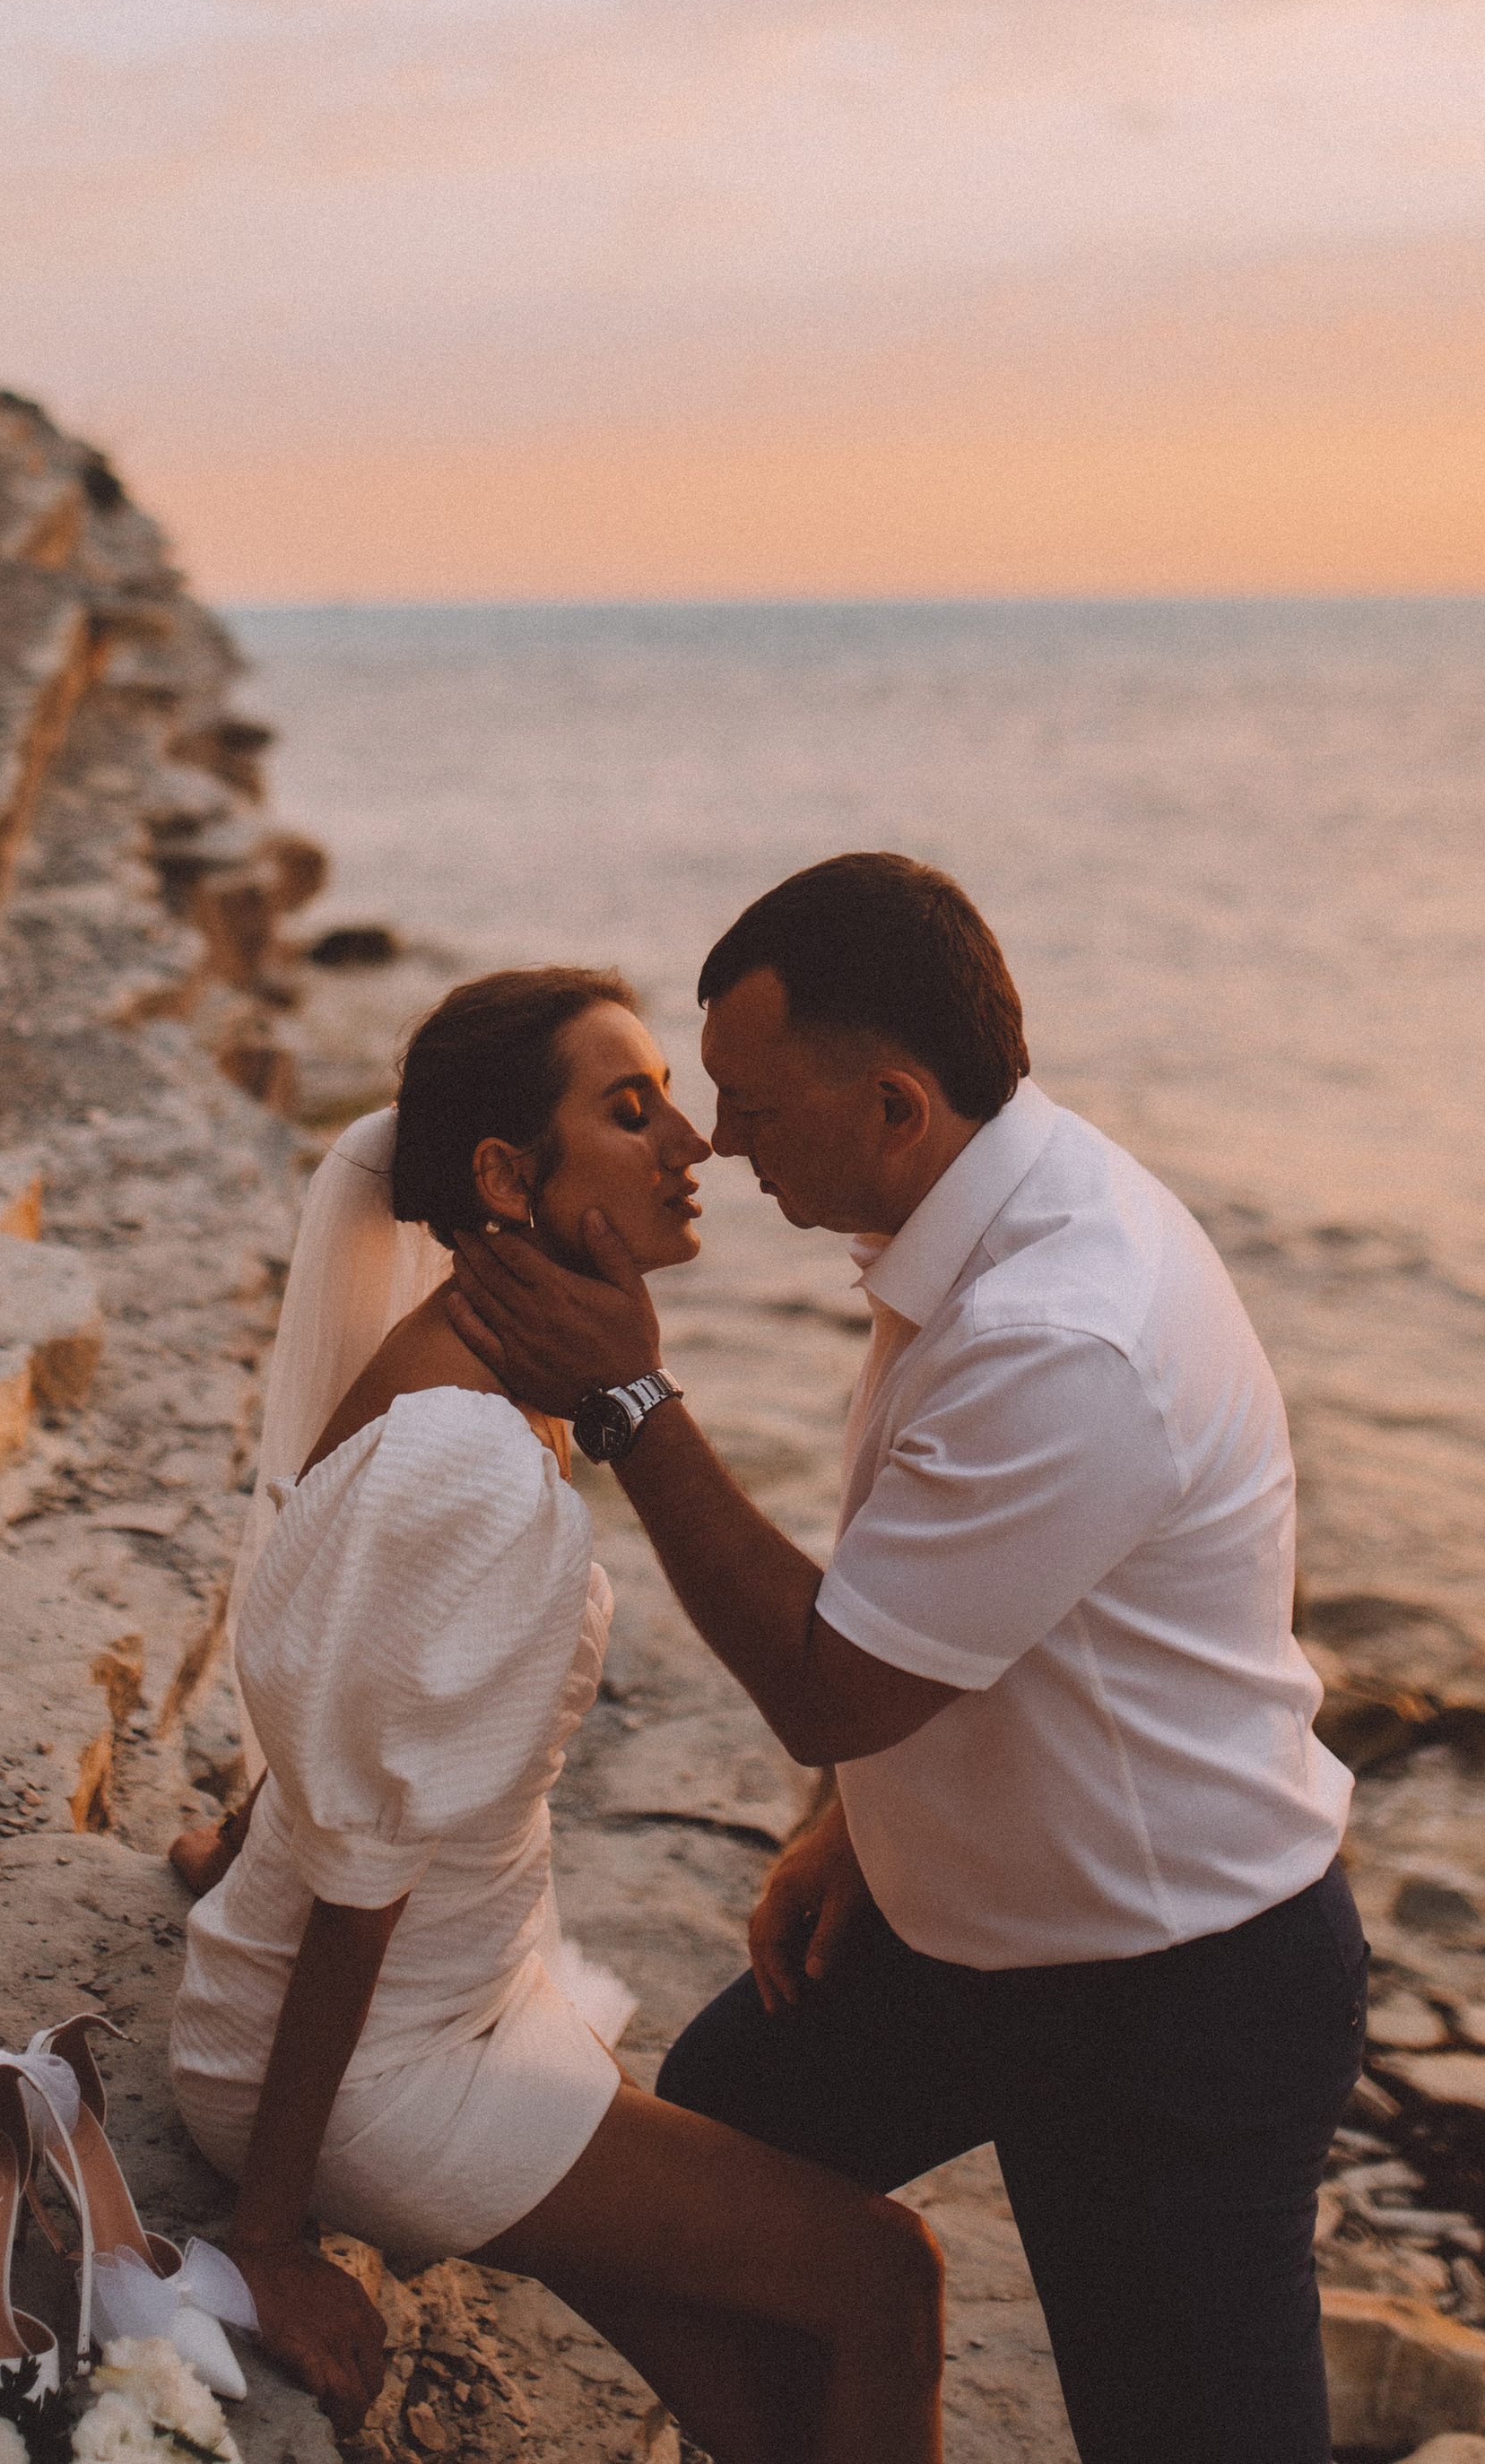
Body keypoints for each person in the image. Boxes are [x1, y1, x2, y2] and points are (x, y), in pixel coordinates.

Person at [449, 856, 1368, 2464]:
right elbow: (951, 1623)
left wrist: (633, 1406)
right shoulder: (976, 1205)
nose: (719, 1147)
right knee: (716, 2156)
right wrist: (856, 1829)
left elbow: (833, 1680)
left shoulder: (1065, 1333)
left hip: (1173, 1990)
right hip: (960, 1943)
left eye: (751, 1106)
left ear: (894, 1102)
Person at [168, 966, 944, 2463]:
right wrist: (269, 2235)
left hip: (448, 2006)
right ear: (505, 1177)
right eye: (632, 1107)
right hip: (382, 2069)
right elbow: (363, 1878)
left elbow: (351, 1707)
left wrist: (238, 1842)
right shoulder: (462, 1457)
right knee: (883, 2280)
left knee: (779, 2407)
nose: (694, 1145)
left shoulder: (481, 1372)